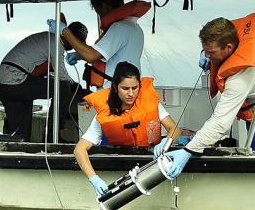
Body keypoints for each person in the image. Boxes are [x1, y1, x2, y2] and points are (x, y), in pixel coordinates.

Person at [160, 12, 255, 176]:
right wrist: (207, 53)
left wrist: (189, 150)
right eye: (205, 51)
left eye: (211, 52)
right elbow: (216, 42)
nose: (207, 56)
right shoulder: (235, 38)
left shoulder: (240, 78)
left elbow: (220, 123)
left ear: (229, 48)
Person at [74, 62, 180, 196]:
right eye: (125, 88)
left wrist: (167, 141)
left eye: (135, 88)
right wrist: (93, 178)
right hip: (119, 163)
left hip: (151, 162)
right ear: (115, 87)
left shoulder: (151, 104)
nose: (131, 93)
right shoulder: (104, 113)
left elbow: (175, 129)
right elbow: (79, 149)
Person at [0, 20, 89, 141]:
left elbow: (41, 71)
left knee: (21, 136)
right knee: (62, 87)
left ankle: (18, 149)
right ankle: (52, 136)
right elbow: (62, 76)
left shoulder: (46, 39)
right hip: (16, 80)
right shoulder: (56, 43)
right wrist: (76, 87)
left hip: (4, 84)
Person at [56, 0, 150, 89]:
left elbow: (91, 55)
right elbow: (109, 56)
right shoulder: (134, 27)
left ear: (104, 6)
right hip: (124, 88)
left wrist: (64, 31)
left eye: (98, 11)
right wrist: (79, 55)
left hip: (114, 91)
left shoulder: (119, 28)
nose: (100, 16)